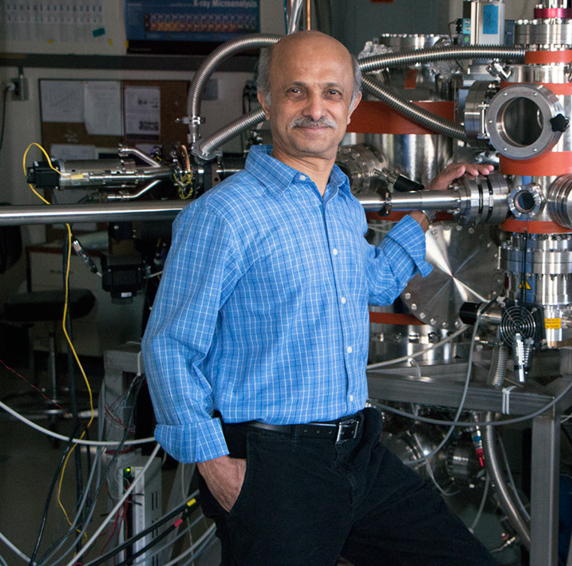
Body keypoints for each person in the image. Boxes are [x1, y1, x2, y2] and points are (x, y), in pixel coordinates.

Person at [142, 30, 497, 566]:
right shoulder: (224, 215)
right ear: (264, 101)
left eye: (332, 93)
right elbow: (168, 348)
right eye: (295, 91)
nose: (316, 108)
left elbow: (373, 284)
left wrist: (429, 204)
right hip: (273, 465)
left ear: (352, 106)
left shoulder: (342, 203)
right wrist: (216, 467)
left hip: (359, 451)